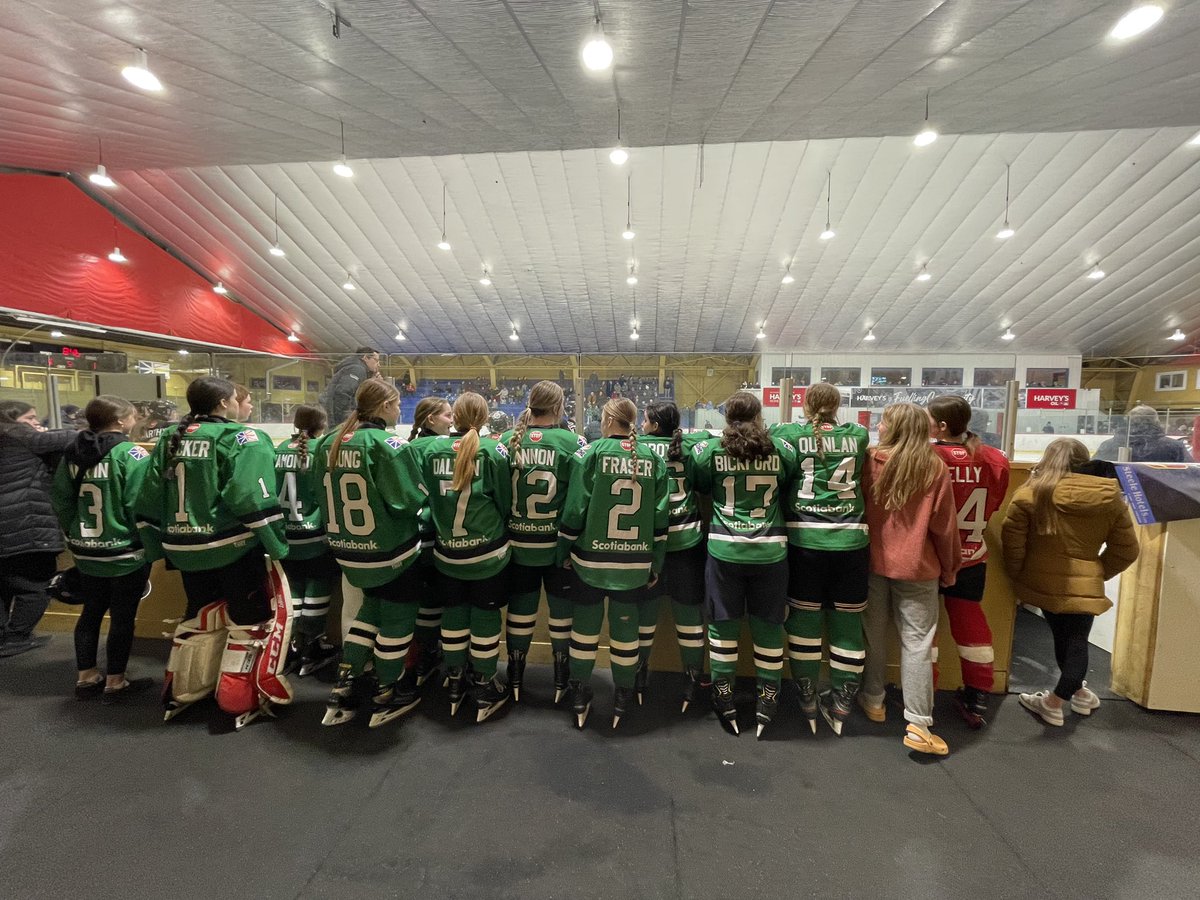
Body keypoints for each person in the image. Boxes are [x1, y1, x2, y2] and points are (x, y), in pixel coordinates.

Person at [135, 376, 291, 723]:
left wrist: (154, 550)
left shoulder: (168, 440)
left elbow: (144, 498)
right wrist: (277, 546)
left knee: (200, 616)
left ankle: (186, 687)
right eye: (239, 398)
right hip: (231, 547)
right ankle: (237, 698)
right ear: (224, 403)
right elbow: (250, 497)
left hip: (184, 549)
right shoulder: (242, 438)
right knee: (247, 622)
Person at [1002, 439, 1139, 726]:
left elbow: (1013, 543)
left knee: (1066, 640)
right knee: (1074, 640)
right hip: (1086, 581)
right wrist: (1097, 573)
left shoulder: (1029, 493)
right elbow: (1127, 549)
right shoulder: (1109, 497)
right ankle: (1079, 694)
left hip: (1042, 579)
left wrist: (1018, 575)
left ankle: (1053, 703)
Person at [314, 380, 426, 728]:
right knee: (397, 619)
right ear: (384, 406)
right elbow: (409, 499)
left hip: (348, 551)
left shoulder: (328, 442)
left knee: (368, 611)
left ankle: (344, 683)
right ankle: (385, 691)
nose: (399, 410)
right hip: (390, 551)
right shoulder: (388, 444)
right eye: (396, 404)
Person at [691, 392, 798, 738]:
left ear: (726, 417)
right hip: (771, 552)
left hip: (726, 550)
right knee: (768, 624)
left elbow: (703, 485)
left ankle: (723, 695)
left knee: (723, 625)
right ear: (759, 415)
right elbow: (787, 481)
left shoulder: (711, 450)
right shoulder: (781, 449)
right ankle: (769, 696)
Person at [557, 398, 668, 728]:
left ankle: (578, 692)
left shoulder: (590, 453)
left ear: (606, 420)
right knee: (625, 632)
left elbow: (575, 510)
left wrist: (562, 551)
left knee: (584, 632)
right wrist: (655, 563)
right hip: (634, 564)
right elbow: (660, 519)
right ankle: (623, 694)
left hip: (590, 562)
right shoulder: (652, 458)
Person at [860, 403, 961, 756]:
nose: (879, 426)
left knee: (873, 634)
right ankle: (918, 723)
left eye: (884, 421)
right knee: (918, 644)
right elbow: (945, 528)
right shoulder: (934, 467)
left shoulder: (869, 460)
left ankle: (873, 699)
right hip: (919, 568)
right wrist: (951, 568)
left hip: (873, 562)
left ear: (894, 428)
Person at [409, 392, 513, 724]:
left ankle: (454, 680)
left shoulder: (431, 450)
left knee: (453, 614)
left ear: (455, 417)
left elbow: (422, 499)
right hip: (488, 555)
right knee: (485, 616)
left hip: (447, 553)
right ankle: (483, 682)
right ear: (484, 419)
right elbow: (505, 502)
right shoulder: (494, 450)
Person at [771, 383, 869, 736]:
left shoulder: (789, 433)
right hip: (851, 543)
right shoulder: (858, 435)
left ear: (805, 404)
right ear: (837, 404)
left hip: (805, 542)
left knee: (804, 620)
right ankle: (843, 699)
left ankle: (807, 695)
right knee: (847, 624)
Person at [51, 396, 154, 702]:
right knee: (122, 616)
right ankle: (115, 681)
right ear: (121, 421)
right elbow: (139, 502)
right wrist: (145, 542)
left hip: (86, 550)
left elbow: (61, 499)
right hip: (125, 551)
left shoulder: (72, 453)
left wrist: (75, 534)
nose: (135, 421)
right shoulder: (130, 454)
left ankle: (86, 676)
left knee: (91, 611)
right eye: (133, 416)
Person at [501, 381, 587, 703]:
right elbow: (577, 501)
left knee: (521, 611)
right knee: (561, 612)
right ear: (558, 407)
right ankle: (561, 675)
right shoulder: (573, 442)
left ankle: (516, 673)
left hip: (518, 545)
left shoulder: (508, 442)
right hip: (556, 547)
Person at [928, 396, 1011, 729]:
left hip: (932, 556)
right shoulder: (993, 458)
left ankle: (925, 697)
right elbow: (993, 505)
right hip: (972, 554)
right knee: (970, 621)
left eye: (929, 419)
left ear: (943, 425)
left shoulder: (929, 457)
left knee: (925, 628)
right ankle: (978, 696)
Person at [638, 400, 710, 711]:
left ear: (654, 425)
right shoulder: (691, 446)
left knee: (644, 616)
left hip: (648, 546)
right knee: (689, 618)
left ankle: (637, 676)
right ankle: (692, 681)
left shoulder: (636, 447)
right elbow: (705, 483)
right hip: (687, 542)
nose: (641, 426)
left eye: (644, 421)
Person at [0, 400, 74, 658]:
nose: (36, 424)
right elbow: (69, 437)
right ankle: (17, 637)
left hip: (8, 524)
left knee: (4, 583)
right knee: (37, 586)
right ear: (12, 419)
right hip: (26, 521)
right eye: (30, 418)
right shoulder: (15, 433)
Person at [274, 404, 339, 677]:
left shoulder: (276, 451)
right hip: (316, 536)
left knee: (294, 594)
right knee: (317, 590)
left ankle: (290, 649)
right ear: (321, 426)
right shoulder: (321, 452)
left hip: (285, 536)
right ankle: (312, 647)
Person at [406, 397, 454, 686]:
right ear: (431, 419)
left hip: (415, 537)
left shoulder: (410, 448)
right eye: (447, 415)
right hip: (439, 535)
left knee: (426, 601)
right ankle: (440, 656)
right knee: (443, 599)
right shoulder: (443, 449)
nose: (451, 420)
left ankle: (425, 654)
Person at [1094, 405, 1190, 462]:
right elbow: (1190, 474)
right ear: (1156, 422)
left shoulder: (1107, 445)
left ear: (1128, 421)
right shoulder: (1174, 447)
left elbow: (1093, 473)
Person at [321, 347, 382, 426]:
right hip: (337, 419)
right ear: (366, 357)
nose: (379, 364)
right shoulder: (357, 369)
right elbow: (343, 393)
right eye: (376, 360)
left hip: (333, 416)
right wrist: (344, 422)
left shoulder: (355, 367)